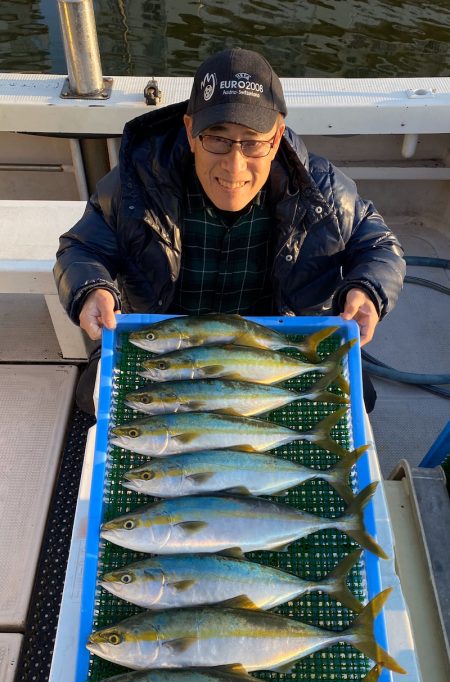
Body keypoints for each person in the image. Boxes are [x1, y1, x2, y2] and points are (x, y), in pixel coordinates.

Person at [54, 47, 405, 415]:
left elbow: (379, 245)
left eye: (252, 142)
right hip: (169, 343)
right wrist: (91, 289)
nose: (234, 166)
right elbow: (81, 247)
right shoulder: (137, 183)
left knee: (359, 397)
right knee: (90, 396)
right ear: (191, 131)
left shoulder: (326, 191)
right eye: (217, 139)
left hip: (273, 342)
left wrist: (367, 290)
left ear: (276, 138)